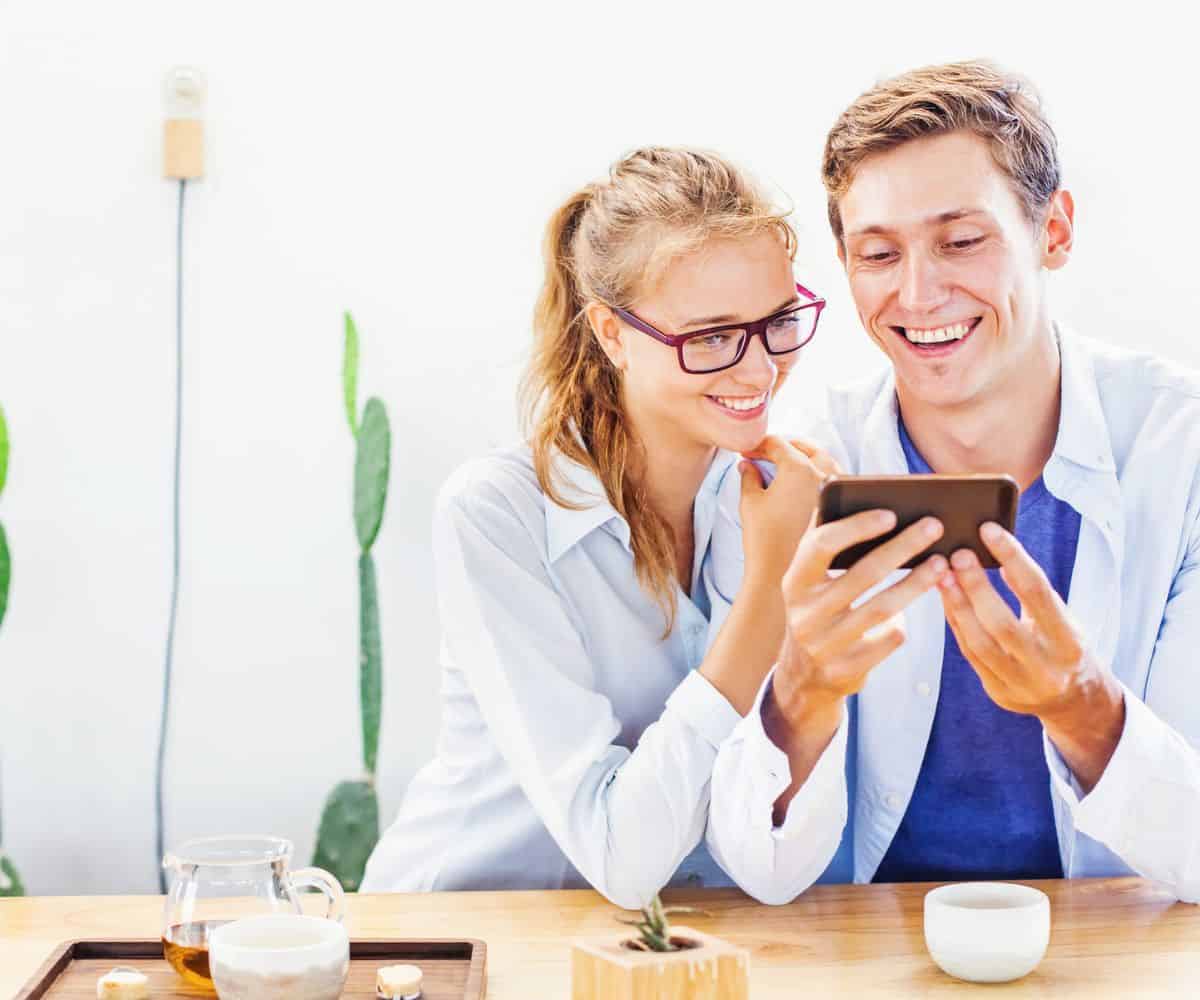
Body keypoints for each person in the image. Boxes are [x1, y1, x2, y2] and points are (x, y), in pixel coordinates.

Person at [707, 61, 1200, 903]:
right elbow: (759, 874)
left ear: (1054, 231)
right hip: (871, 952)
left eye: (962, 241)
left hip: (1115, 951)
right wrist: (800, 693)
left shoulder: (1177, 448)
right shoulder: (792, 478)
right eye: (878, 253)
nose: (918, 292)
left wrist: (1082, 708)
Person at [361, 147, 835, 906]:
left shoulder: (778, 493)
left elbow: (770, 844)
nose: (759, 370)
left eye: (778, 321)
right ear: (611, 334)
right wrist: (771, 596)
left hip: (661, 939)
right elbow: (619, 857)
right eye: (711, 337)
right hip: (462, 933)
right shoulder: (497, 514)